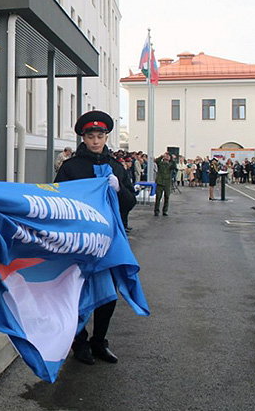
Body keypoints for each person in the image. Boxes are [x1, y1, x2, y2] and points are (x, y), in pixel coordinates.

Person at [55, 110, 137, 366]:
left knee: (107, 296)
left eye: (100, 136)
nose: (95, 141)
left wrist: (118, 187)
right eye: (91, 136)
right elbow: (58, 203)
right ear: (83, 137)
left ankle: (99, 341)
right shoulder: (71, 167)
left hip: (109, 241)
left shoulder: (115, 168)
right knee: (78, 293)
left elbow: (130, 202)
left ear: (106, 137)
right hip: (80, 241)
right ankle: (79, 342)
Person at [154, 151, 175, 216]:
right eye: (166, 156)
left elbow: (174, 167)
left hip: (167, 182)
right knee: (158, 197)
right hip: (160, 182)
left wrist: (173, 160)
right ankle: (156, 211)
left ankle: (165, 211)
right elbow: (156, 161)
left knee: (167, 197)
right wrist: (162, 156)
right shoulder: (161, 163)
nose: (167, 157)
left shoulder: (170, 164)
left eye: (168, 156)